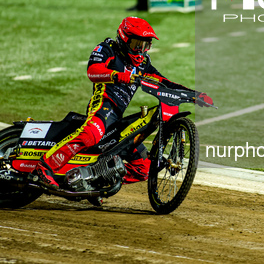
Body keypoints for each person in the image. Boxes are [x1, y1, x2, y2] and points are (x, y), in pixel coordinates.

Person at [34, 17, 213, 189]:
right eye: (137, 45)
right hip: (103, 106)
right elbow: (93, 71)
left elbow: (164, 83)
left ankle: (98, 182)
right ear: (124, 39)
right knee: (91, 135)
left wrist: (194, 95)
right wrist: (122, 76)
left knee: (144, 167)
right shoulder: (107, 48)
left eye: (145, 46)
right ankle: (45, 167)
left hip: (118, 118)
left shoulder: (144, 64)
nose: (140, 51)